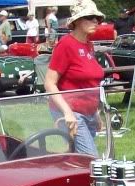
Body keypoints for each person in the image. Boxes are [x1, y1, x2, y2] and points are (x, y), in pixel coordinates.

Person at [44, 0, 106, 156]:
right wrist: (67, 112)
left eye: (97, 18)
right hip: (72, 112)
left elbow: (89, 82)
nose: (95, 21)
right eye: (90, 17)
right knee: (91, 160)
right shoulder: (66, 44)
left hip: (88, 112)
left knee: (79, 160)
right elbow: (49, 83)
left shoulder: (88, 45)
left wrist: (96, 112)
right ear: (78, 21)